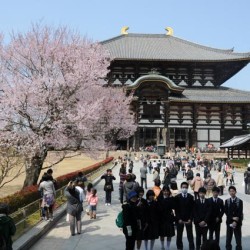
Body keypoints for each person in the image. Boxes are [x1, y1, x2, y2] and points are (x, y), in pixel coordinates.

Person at [175, 182, 195, 250]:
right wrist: (178, 219)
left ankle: (191, 248)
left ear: (187, 188)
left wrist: (190, 219)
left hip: (188, 219)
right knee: (179, 235)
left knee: (190, 235)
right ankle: (179, 247)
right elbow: (176, 210)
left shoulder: (191, 197)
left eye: (186, 187)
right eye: (183, 187)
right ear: (181, 188)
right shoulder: (177, 197)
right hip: (180, 219)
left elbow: (192, 209)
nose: (184, 189)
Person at [224, 186, 243, 250]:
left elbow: (240, 212)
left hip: (237, 223)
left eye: (233, 191)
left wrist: (235, 221)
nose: (232, 192)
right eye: (230, 191)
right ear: (229, 192)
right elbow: (226, 212)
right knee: (228, 238)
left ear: (235, 192)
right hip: (229, 222)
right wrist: (232, 218)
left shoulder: (240, 201)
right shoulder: (227, 201)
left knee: (238, 238)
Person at [158, 186, 175, 250]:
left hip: (169, 218)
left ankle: (168, 247)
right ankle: (162, 246)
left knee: (169, 234)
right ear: (162, 191)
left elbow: (173, 206)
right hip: (162, 218)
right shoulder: (159, 198)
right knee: (162, 234)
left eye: (167, 191)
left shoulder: (171, 198)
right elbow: (159, 208)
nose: (166, 192)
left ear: (169, 191)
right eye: (164, 191)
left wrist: (171, 198)